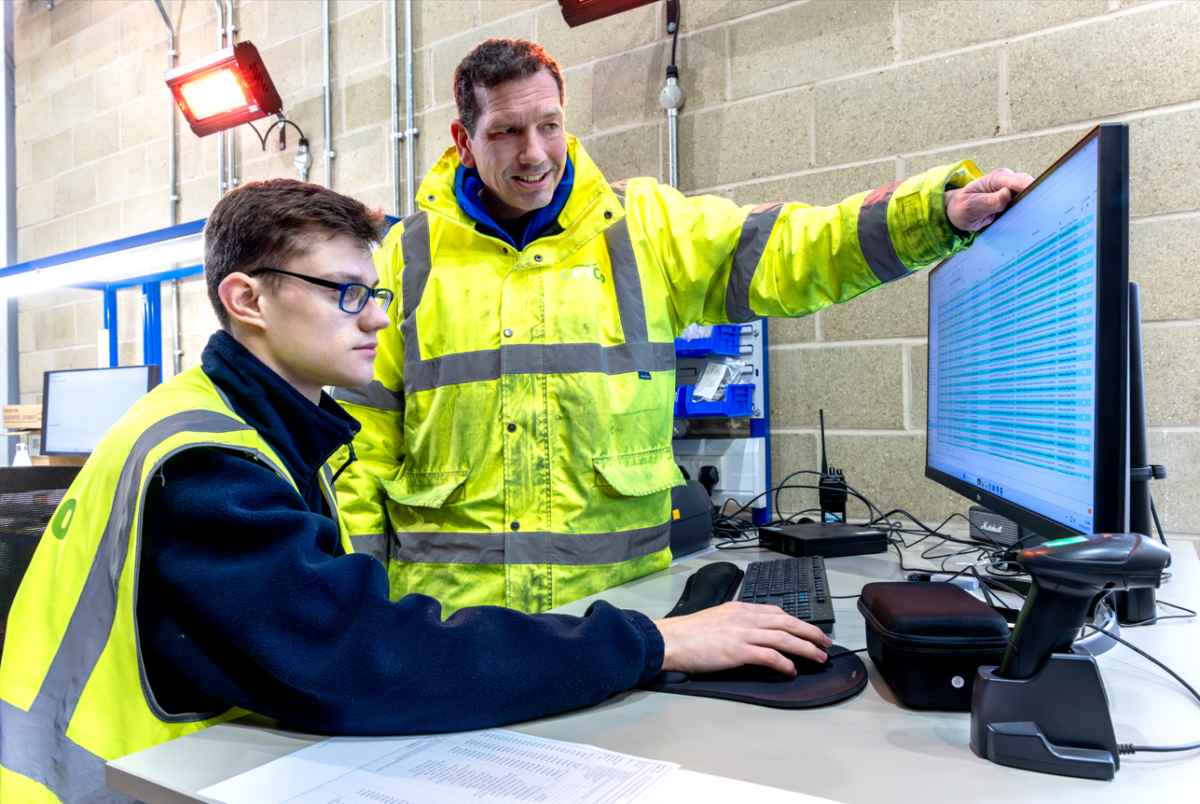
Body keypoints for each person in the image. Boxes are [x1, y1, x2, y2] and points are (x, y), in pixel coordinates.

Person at [0, 179, 833, 804]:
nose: (376, 321)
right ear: (246, 298)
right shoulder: (204, 463)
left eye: (379, 294)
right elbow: (364, 659)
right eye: (347, 294)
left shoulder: (250, 427)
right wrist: (656, 644)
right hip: (94, 787)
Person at [334, 39, 1034, 614]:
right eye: (506, 131)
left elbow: (797, 246)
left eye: (549, 124)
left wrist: (935, 215)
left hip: (618, 612)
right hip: (455, 622)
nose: (535, 153)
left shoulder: (642, 227)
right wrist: (356, 609)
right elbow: (361, 444)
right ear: (463, 139)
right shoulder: (408, 255)